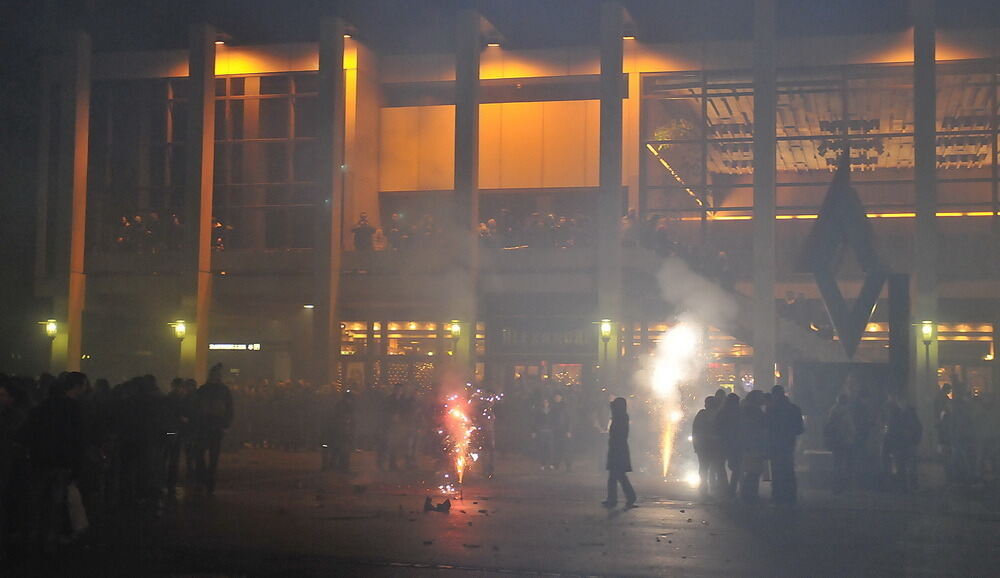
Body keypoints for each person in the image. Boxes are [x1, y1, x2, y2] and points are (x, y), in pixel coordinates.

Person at [194, 364, 233, 496]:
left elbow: (229, 409)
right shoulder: (223, 390)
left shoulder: (204, 390)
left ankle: (205, 480)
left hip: (208, 426)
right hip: (212, 426)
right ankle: (208, 481)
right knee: (211, 456)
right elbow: (229, 409)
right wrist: (226, 424)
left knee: (205, 455)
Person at [767, 385, 804, 505]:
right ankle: (790, 495)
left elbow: (766, 427)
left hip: (774, 443)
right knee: (788, 469)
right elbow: (800, 429)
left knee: (776, 470)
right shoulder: (794, 409)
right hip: (789, 443)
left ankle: (777, 495)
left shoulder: (771, 409)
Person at [881, 392, 922, 492]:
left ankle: (911, 487)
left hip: (907, 444)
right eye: (900, 402)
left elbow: (918, 427)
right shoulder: (896, 413)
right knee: (901, 467)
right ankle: (903, 487)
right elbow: (891, 429)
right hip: (900, 444)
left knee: (910, 467)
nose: (902, 403)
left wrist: (914, 438)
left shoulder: (907, 413)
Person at [603, 397, 637, 509]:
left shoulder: (620, 418)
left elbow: (618, 434)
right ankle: (626, 497)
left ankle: (615, 499)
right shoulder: (621, 416)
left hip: (618, 449)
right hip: (618, 449)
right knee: (618, 475)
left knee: (616, 476)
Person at [739, 390, 768, 504]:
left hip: (749, 445)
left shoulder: (745, 410)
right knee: (753, 472)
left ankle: (748, 493)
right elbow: (760, 427)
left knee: (751, 471)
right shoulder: (754, 411)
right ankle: (750, 494)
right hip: (753, 446)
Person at [825, 392, 856, 494]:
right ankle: (844, 487)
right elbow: (850, 427)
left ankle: (836, 487)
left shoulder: (832, 411)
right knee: (846, 465)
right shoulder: (845, 412)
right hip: (845, 441)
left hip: (836, 441)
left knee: (836, 464)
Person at [692, 396, 721, 497]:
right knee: (711, 467)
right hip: (709, 446)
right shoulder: (717, 415)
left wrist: (696, 445)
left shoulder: (702, 415)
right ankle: (708, 487)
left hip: (704, 446)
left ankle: (705, 487)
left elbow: (695, 430)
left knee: (705, 468)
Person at [717, 392, 742, 497]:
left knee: (721, 466)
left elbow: (717, 428)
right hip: (736, 444)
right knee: (736, 468)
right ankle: (732, 489)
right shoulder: (740, 413)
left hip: (723, 443)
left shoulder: (722, 413)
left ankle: (725, 488)